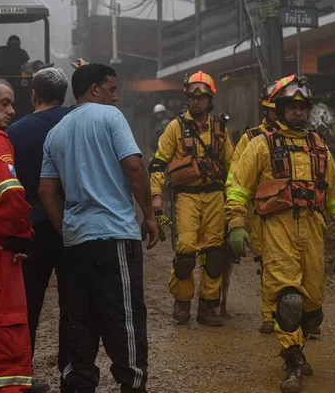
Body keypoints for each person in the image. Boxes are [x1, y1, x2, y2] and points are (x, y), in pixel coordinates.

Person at [226, 74, 335, 393]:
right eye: (292, 107)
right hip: (276, 230)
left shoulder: (319, 147)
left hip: (313, 230)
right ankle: (292, 362)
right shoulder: (260, 144)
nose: (298, 112)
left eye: (303, 107)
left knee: (312, 312)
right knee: (289, 300)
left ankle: (299, 344)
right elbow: (238, 187)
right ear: (280, 109)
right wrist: (236, 224)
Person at [39, 64, 159, 393]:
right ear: (95, 89)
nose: (116, 96)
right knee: (125, 317)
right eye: (112, 88)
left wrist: (68, 230)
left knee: (79, 319)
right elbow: (134, 167)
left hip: (76, 241)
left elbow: (47, 193)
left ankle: (78, 384)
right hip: (114, 237)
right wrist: (148, 214)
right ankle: (132, 384)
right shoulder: (110, 117)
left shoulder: (57, 132)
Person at [149, 71, 234, 326]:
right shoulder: (175, 127)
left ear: (210, 99)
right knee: (185, 253)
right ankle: (183, 302)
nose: (196, 101)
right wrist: (156, 196)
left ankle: (208, 306)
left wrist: (234, 201)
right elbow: (159, 163)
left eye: (202, 97)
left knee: (215, 253)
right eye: (192, 97)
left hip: (215, 198)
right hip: (186, 197)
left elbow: (233, 166)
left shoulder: (219, 128)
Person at [6, 68, 72, 393]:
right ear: (65, 96)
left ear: (33, 93)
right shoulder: (75, 122)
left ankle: (23, 378)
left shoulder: (15, 133)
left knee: (26, 309)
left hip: (30, 231)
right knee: (73, 308)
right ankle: (71, 379)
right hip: (72, 227)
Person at [225, 81, 278, 334]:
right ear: (267, 110)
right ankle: (270, 314)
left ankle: (304, 314)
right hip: (264, 214)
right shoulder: (252, 139)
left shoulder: (307, 140)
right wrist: (237, 219)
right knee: (269, 264)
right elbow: (235, 179)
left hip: (301, 217)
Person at [0, 77, 34, 392]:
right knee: (8, 325)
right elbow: (10, 193)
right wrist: (23, 234)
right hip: (0, 251)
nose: (12, 110)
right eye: (3, 103)